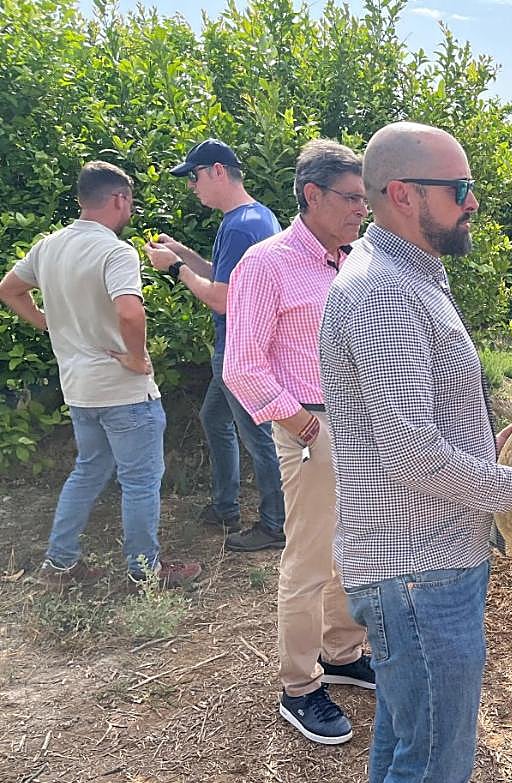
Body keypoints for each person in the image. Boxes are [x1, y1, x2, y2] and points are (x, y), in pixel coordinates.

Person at [318, 121, 512, 783]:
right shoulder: (385, 292)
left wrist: (486, 451)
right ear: (403, 194)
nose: (472, 204)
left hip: (421, 562)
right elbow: (409, 454)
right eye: (460, 190)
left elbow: (414, 432)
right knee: (434, 769)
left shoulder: (408, 277)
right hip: (416, 570)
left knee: (407, 750)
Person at [222, 139, 372, 744]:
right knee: (309, 558)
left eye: (365, 198)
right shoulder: (266, 262)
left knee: (352, 547)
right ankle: (300, 686)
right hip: (311, 425)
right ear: (312, 195)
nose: (362, 209)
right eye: (351, 198)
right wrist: (305, 425)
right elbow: (242, 364)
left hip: (361, 426)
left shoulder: (357, 260)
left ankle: (341, 652)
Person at [0, 162, 200, 586]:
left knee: (88, 470)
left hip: (79, 389)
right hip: (124, 391)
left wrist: (45, 322)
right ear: (119, 199)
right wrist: (134, 356)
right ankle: (145, 572)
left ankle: (60, 564)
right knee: (141, 482)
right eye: (129, 201)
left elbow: (8, 289)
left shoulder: (48, 247)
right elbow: (130, 310)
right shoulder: (115, 251)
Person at [143, 139, 285, 552]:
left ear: (218, 171)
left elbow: (220, 298)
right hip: (245, 343)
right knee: (214, 417)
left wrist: (176, 269)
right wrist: (182, 252)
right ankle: (225, 506)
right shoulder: (253, 217)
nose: (192, 186)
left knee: (259, 437)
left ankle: (275, 524)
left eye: (195, 176)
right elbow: (222, 279)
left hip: (240, 350)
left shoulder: (241, 225)